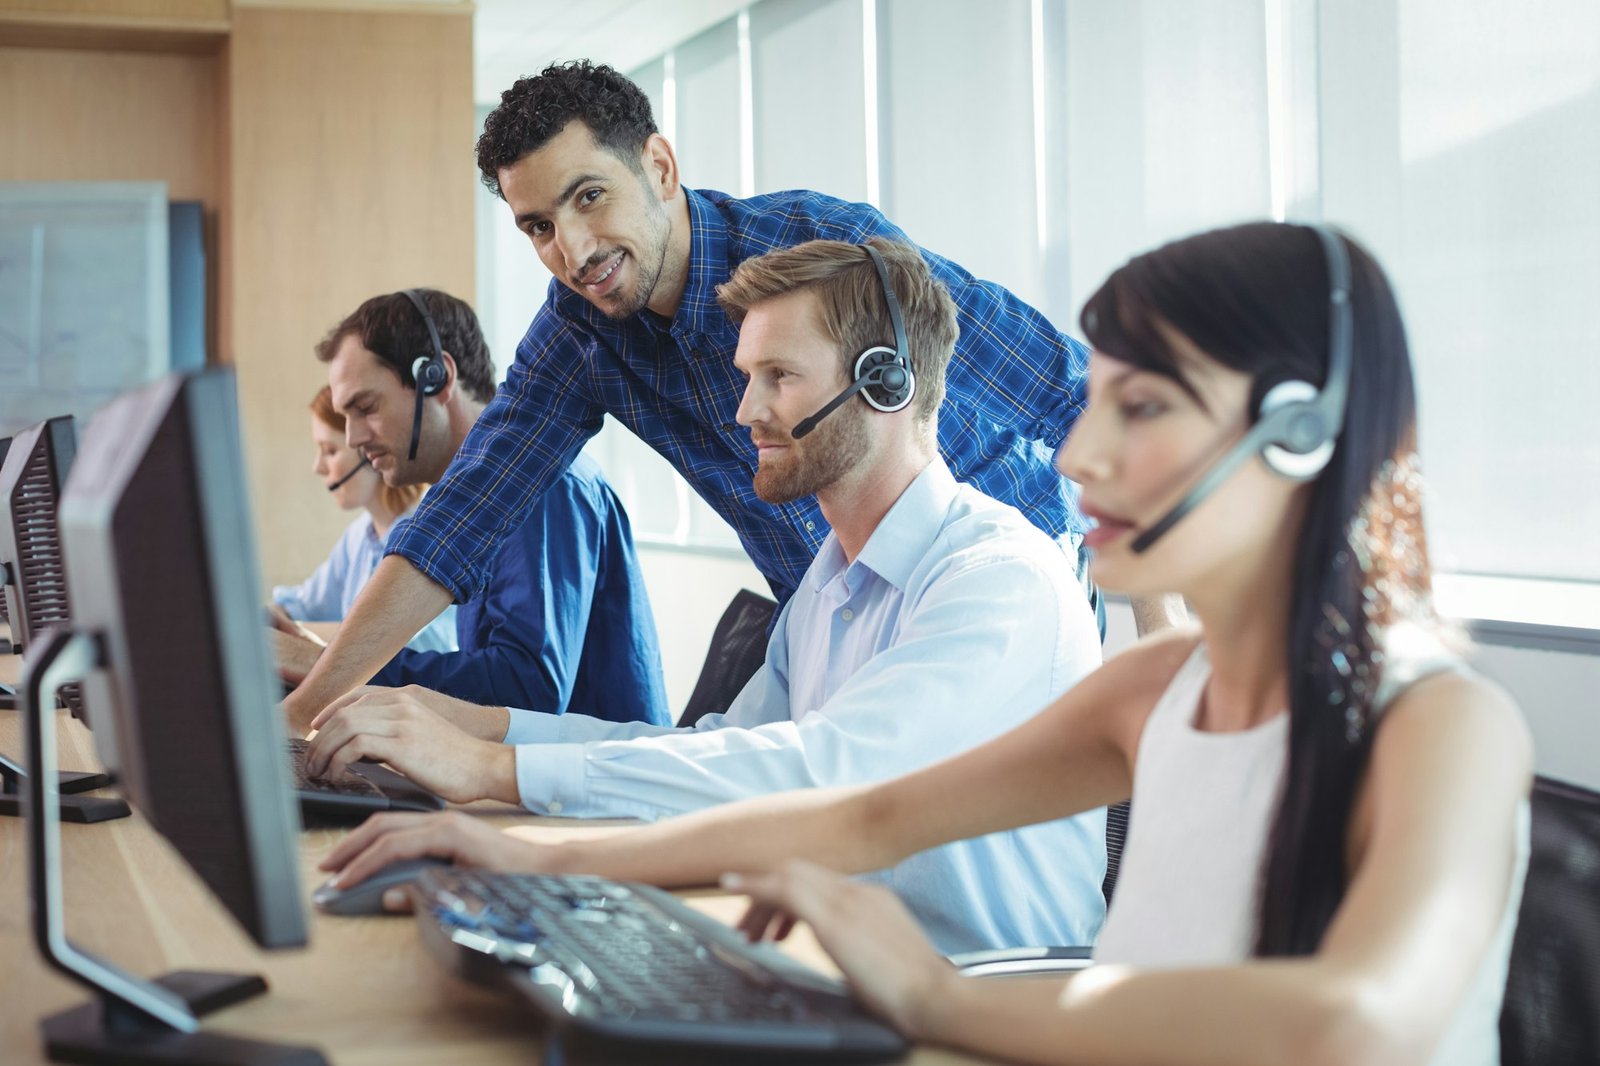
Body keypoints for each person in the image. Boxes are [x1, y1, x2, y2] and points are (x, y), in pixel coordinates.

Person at [322, 223, 1531, 1065]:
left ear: (1304, 433)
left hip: (996, 991)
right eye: (1096, 398)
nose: (1075, 453)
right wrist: (510, 854)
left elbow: (1351, 1026)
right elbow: (854, 818)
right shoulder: (1157, 686)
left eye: (1145, 407)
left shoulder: (1443, 722)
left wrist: (934, 999)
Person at [281, 60, 1184, 728]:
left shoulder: (822, 249)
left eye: (591, 197)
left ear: (661, 169)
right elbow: (462, 518)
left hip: (984, 583)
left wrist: (1159, 619)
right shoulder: (580, 331)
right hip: (824, 605)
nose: (573, 249)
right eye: (539, 227)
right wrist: (307, 715)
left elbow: (1064, 388)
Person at [307, 239, 1107, 953]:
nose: (743, 411)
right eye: (747, 377)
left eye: (779, 377)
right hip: (846, 971)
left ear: (885, 383)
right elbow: (720, 747)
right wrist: (485, 729)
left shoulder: (999, 580)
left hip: (981, 995)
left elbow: (827, 775)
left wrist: (496, 773)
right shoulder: (829, 580)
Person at [275, 289, 670, 734]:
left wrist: (324, 666)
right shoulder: (456, 508)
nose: (352, 439)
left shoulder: (538, 480)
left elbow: (527, 690)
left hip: (591, 789)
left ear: (438, 379)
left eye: (365, 408)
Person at [268, 385, 458, 653]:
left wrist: (283, 638)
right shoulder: (359, 537)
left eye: (330, 450)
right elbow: (302, 605)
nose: (318, 467)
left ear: (368, 453)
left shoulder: (425, 531)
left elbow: (380, 639)